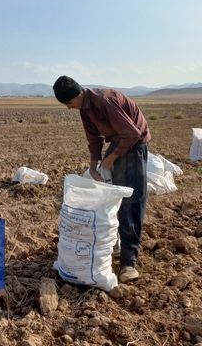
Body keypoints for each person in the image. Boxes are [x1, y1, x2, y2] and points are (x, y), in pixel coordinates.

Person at [53, 75, 151, 283]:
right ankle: (111, 245)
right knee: (110, 198)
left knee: (130, 202)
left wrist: (112, 158)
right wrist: (94, 164)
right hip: (118, 141)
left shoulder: (104, 100)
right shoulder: (85, 109)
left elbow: (132, 134)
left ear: (79, 94)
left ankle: (129, 262)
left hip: (134, 145)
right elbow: (94, 138)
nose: (69, 108)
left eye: (69, 103)